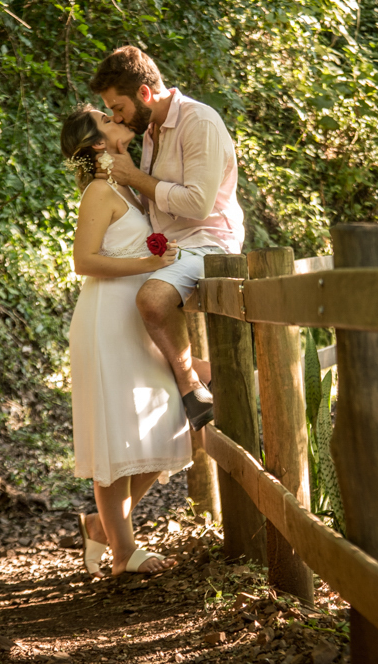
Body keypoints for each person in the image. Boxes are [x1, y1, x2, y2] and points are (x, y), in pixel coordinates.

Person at [61, 104, 192, 577]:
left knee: (167, 422)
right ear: (98, 143)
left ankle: (103, 526)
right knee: (115, 439)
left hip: (138, 320)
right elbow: (84, 261)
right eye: (110, 121)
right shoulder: (98, 192)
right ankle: (123, 554)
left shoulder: (128, 188)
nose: (122, 123)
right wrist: (150, 265)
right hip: (106, 321)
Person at [89, 45, 244, 431]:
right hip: (172, 248)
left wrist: (134, 177)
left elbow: (197, 203)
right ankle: (196, 386)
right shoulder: (152, 129)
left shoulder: (199, 122)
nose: (115, 116)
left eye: (118, 107)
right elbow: (151, 202)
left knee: (152, 299)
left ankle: (192, 386)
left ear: (144, 93)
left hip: (209, 242)